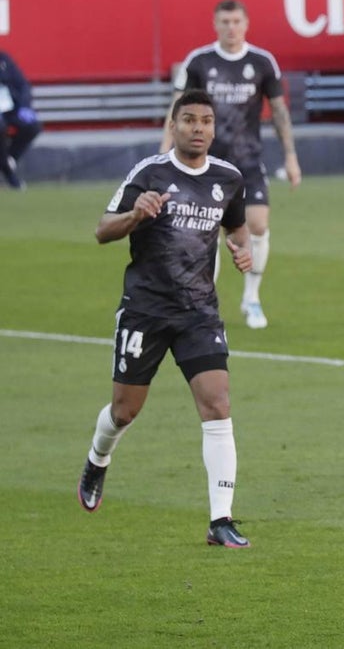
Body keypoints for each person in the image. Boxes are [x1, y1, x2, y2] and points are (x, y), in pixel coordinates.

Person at [76, 90, 253, 548]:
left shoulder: (228, 178)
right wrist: (136, 214)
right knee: (124, 411)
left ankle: (221, 520)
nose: (198, 128)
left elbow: (236, 224)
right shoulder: (150, 173)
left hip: (199, 311)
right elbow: (102, 230)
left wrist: (241, 247)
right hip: (145, 310)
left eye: (206, 121)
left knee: (218, 404)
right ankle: (98, 458)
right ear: (173, 126)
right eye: (189, 120)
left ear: (214, 128)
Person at [166, 0, 301, 330]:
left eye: (236, 21)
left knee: (257, 225)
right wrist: (164, 154)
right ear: (215, 24)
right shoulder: (199, 62)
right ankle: (205, 301)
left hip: (248, 162)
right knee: (206, 232)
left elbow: (280, 112)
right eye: (225, 22)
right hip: (206, 164)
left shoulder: (261, 62)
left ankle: (251, 298)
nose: (231, 28)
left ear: (246, 24)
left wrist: (291, 157)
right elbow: (176, 109)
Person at [0, 49, 43, 190]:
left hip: (10, 109)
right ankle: (8, 171)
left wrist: (25, 106)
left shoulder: (4, 59)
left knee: (33, 126)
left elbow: (22, 84)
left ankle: (8, 161)